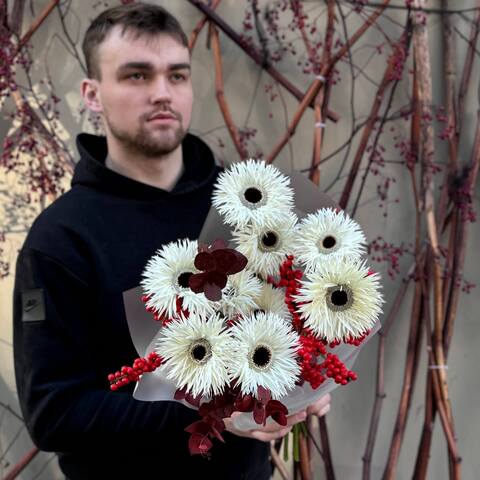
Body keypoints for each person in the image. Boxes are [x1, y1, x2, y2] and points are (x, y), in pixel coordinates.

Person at [13, 3, 331, 479]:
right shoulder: (60, 239)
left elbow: (298, 325)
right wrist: (212, 412)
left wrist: (309, 378)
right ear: (92, 94)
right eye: (137, 76)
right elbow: (53, 414)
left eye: (177, 76)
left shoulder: (246, 203)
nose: (162, 93)